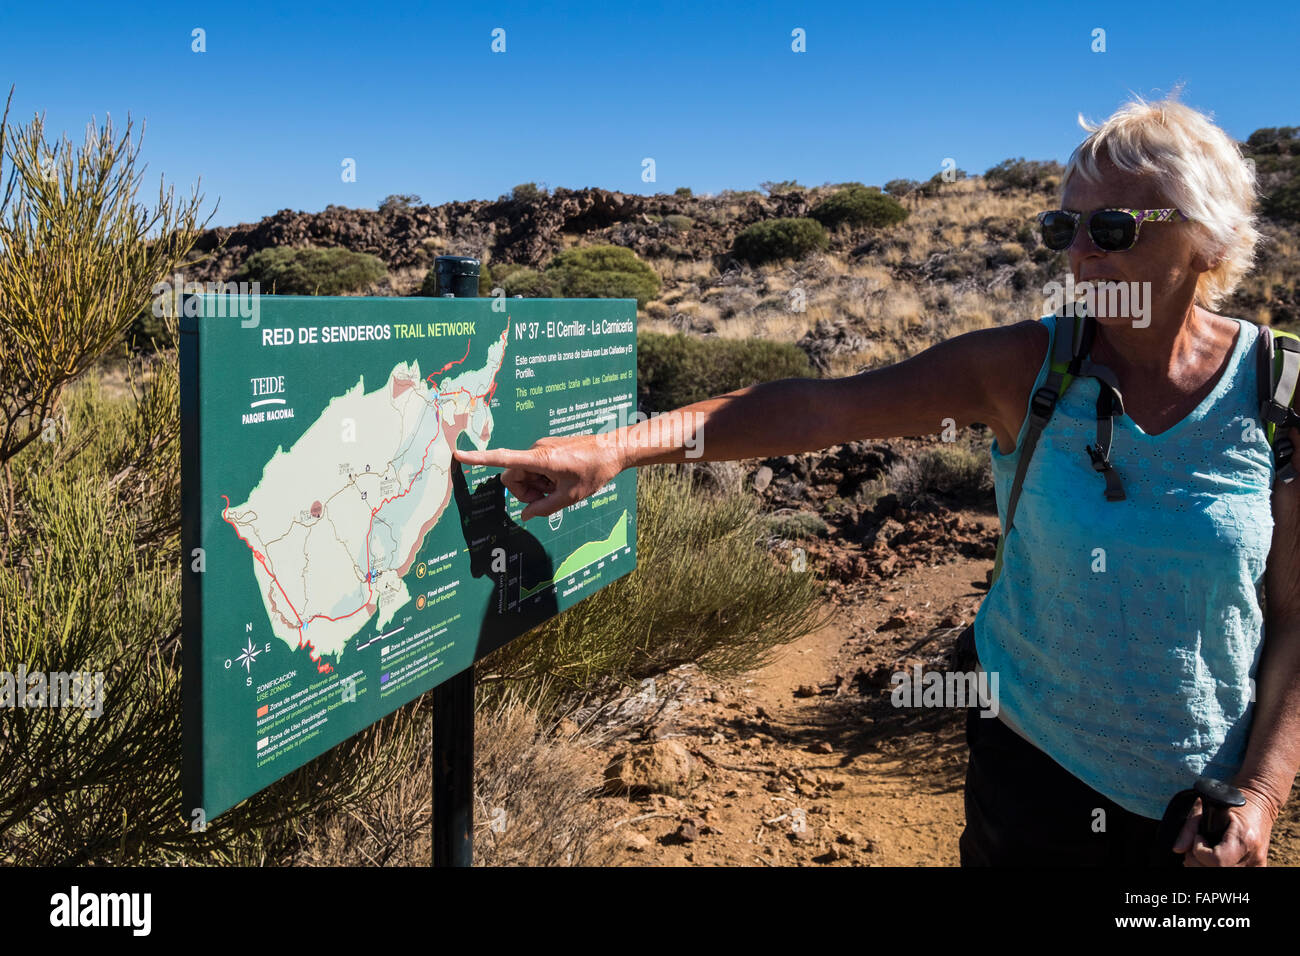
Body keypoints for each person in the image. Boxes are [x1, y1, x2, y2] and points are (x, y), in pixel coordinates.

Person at [454, 93, 1300, 866]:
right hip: (1034, 778)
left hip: (1207, 816)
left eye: (1110, 228)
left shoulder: (1277, 392)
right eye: (1060, 229)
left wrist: (1260, 794)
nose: (1076, 254)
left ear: (1209, 236)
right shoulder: (1024, 368)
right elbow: (819, 409)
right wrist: (619, 449)